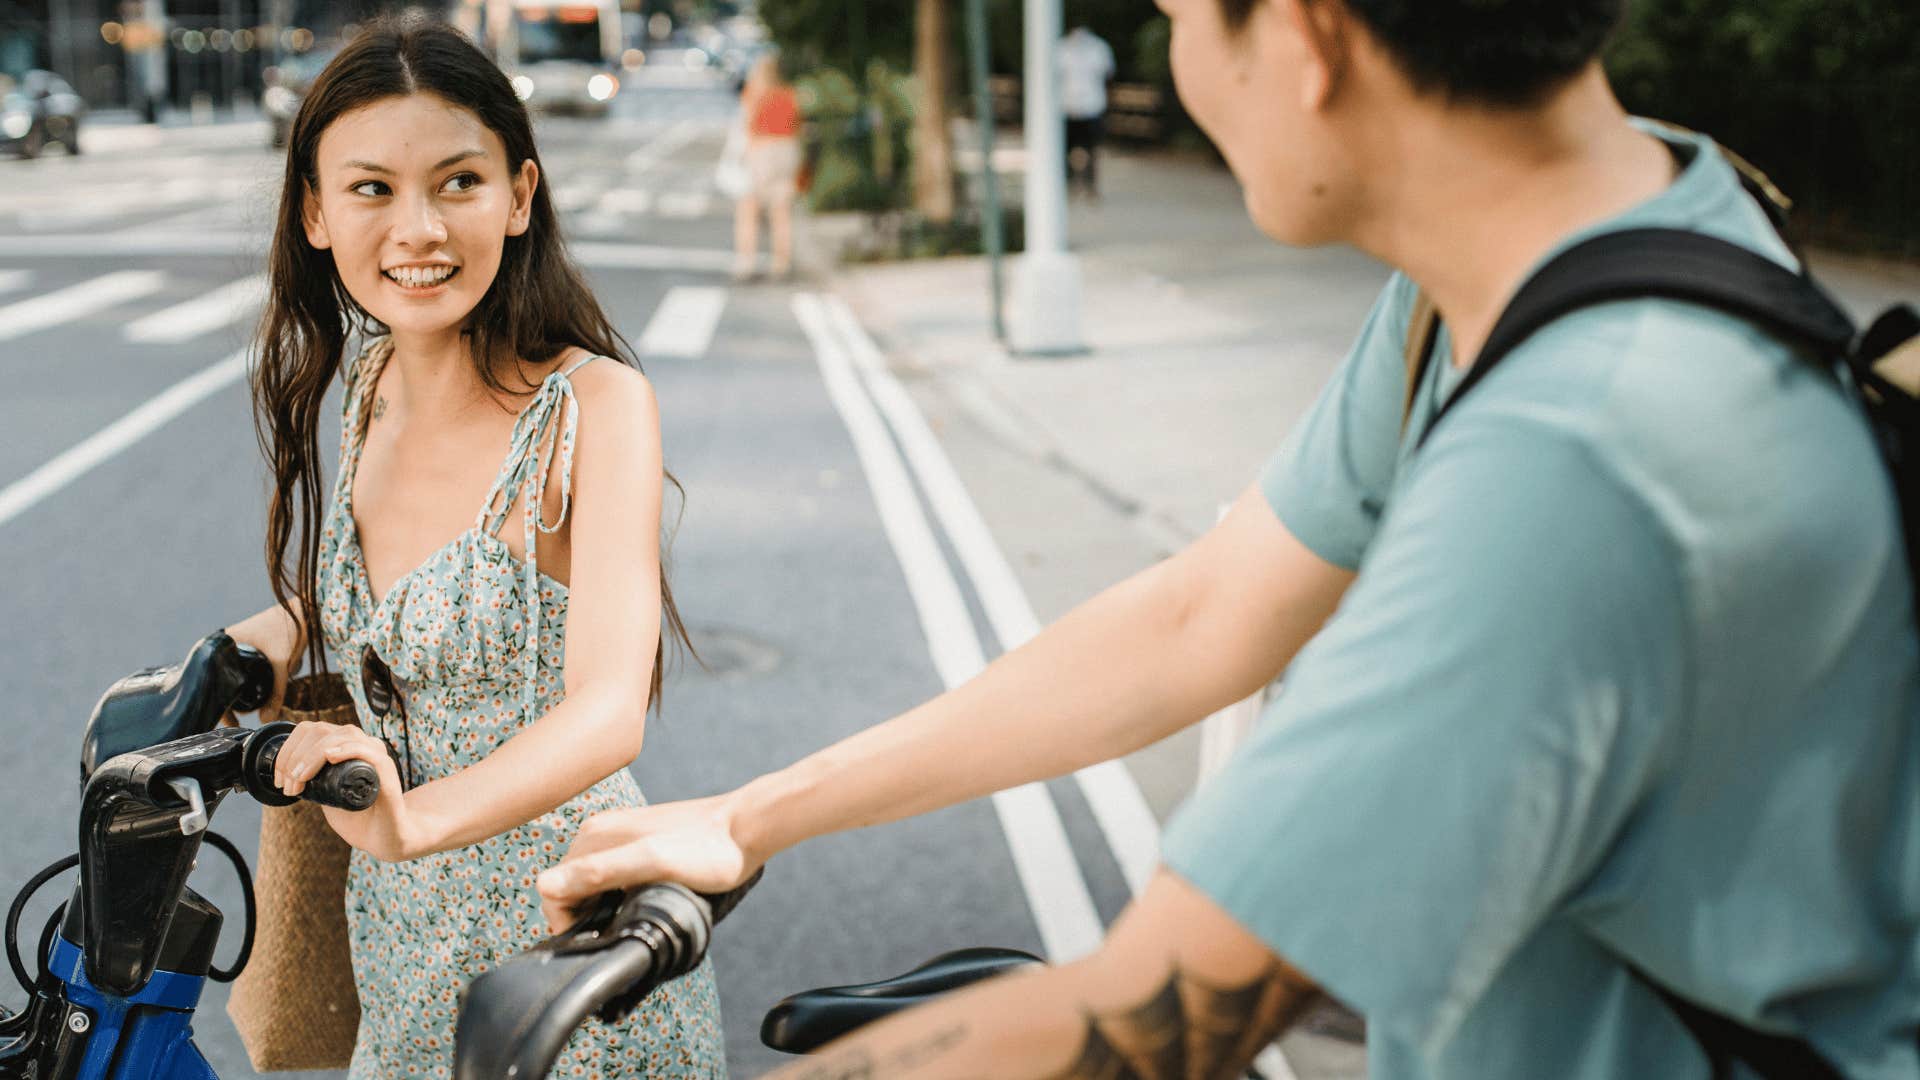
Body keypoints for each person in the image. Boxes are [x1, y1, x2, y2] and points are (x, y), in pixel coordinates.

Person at [541, 0, 1920, 1077]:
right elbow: (1204, 615)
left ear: (1309, 37)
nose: (1189, 66)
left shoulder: (1584, 458)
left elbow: (1152, 1019)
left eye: (1195, 21)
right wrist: (747, 815)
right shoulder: (1548, 261)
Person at [219, 17, 725, 1078]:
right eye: (371, 190)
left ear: (520, 197)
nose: (420, 229)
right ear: (314, 213)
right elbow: (381, 596)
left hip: (565, 952)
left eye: (459, 183)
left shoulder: (594, 405)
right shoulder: (364, 391)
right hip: (398, 940)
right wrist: (249, 646)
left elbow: (607, 709)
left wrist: (416, 819)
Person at [732, 54, 802, 282]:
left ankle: (747, 262)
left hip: (762, 151)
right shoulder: (790, 94)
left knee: (749, 208)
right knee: (780, 210)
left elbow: (747, 126)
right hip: (788, 150)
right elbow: (796, 126)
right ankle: (781, 263)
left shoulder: (755, 94)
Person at [1057, 21, 1115, 199]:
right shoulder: (1062, 48)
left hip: (1089, 106)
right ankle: (1072, 183)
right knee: (1069, 150)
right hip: (1070, 107)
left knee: (1091, 150)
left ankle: (1088, 185)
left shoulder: (1098, 48)